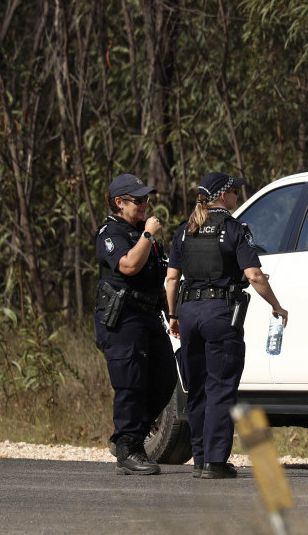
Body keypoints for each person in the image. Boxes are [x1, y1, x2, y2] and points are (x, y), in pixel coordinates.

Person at [165, 172, 289, 479]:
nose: (237, 196)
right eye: (234, 191)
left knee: (196, 390)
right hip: (220, 314)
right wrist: (276, 305)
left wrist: (174, 315)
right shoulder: (234, 229)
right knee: (220, 388)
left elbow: (171, 278)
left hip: (189, 313)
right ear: (222, 196)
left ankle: (200, 459)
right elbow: (254, 275)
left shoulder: (185, 231)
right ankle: (215, 462)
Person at [93, 173, 176, 475]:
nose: (144, 205)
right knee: (131, 384)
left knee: (165, 380)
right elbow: (127, 265)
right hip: (122, 319)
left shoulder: (144, 234)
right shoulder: (110, 233)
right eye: (137, 200)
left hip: (149, 316)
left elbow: (160, 278)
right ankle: (129, 448)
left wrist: (172, 314)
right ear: (119, 202)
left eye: (146, 200)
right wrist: (148, 236)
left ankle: (128, 439)